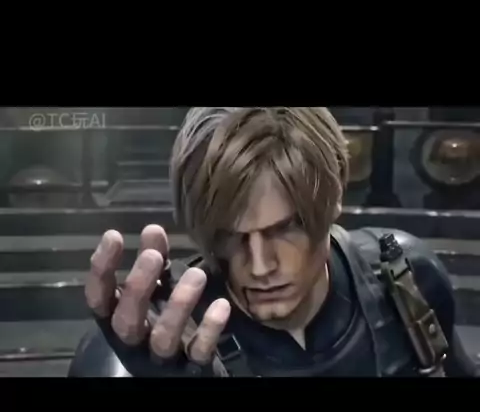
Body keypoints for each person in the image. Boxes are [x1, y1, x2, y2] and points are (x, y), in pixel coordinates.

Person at [69, 107, 479, 379]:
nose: (261, 266)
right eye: (230, 236)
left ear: (334, 198)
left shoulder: (407, 282)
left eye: (287, 228)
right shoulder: (148, 346)